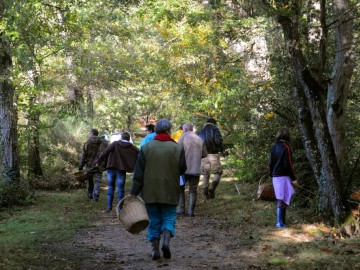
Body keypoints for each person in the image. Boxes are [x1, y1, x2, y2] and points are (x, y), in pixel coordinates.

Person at [130, 119, 187, 260]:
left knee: (153, 219)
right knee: (169, 216)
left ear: (156, 131)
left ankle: (155, 249)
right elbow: (182, 169)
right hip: (170, 189)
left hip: (150, 190)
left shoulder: (146, 147)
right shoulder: (177, 148)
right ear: (169, 131)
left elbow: (139, 172)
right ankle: (166, 242)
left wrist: (134, 192)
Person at [94, 132, 139, 212]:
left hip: (111, 168)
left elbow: (104, 152)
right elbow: (139, 153)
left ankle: (109, 208)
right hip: (121, 170)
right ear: (129, 139)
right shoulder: (131, 147)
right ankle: (120, 209)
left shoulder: (115, 144)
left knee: (111, 187)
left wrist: (98, 162)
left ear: (121, 138)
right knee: (121, 189)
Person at [177, 123, 207, 217]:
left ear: (185, 129)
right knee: (193, 191)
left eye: (182, 129)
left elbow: (177, 153)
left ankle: (181, 209)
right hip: (195, 170)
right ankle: (191, 211)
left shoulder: (182, 138)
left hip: (182, 170)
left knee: (180, 188)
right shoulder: (199, 139)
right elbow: (205, 154)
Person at [269, 127, 296, 229]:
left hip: (275, 176)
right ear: (287, 136)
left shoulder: (274, 146)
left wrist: (271, 174)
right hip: (283, 176)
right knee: (282, 198)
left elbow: (270, 163)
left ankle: (282, 221)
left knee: (283, 197)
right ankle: (279, 223)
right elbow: (289, 164)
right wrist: (293, 178)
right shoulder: (286, 147)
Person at [197, 117, 224, 199]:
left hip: (203, 156)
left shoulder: (200, 132)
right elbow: (218, 141)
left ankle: (205, 194)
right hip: (213, 154)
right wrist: (221, 149)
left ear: (206, 122)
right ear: (213, 123)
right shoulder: (215, 129)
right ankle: (212, 188)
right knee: (218, 172)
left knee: (205, 174)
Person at [79, 128, 108, 201]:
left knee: (90, 180)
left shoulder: (87, 143)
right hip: (99, 165)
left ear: (92, 133)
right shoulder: (104, 143)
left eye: (89, 133)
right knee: (97, 180)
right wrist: (105, 164)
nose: (89, 134)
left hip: (89, 165)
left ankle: (90, 194)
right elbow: (107, 154)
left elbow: (84, 155)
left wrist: (81, 165)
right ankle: (96, 195)